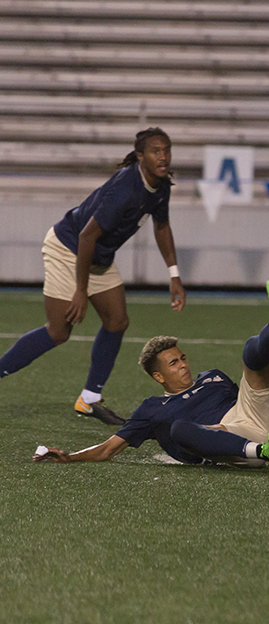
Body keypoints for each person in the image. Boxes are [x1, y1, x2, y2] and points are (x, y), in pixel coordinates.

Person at [1, 127, 186, 426]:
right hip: (69, 248)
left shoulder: (160, 184)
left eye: (166, 149)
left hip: (96, 255)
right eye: (155, 151)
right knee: (59, 331)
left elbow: (161, 227)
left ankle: (88, 399)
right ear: (140, 156)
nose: (163, 156)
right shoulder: (126, 190)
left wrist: (174, 275)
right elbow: (87, 235)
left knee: (117, 321)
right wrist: (80, 290)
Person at [33, 279, 269, 467]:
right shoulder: (152, 409)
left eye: (182, 357)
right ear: (158, 377)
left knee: (251, 354)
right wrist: (70, 457)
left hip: (255, 416)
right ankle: (261, 452)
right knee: (179, 430)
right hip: (231, 440)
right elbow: (109, 449)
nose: (184, 364)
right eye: (173, 363)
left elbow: (259, 411)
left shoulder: (213, 377)